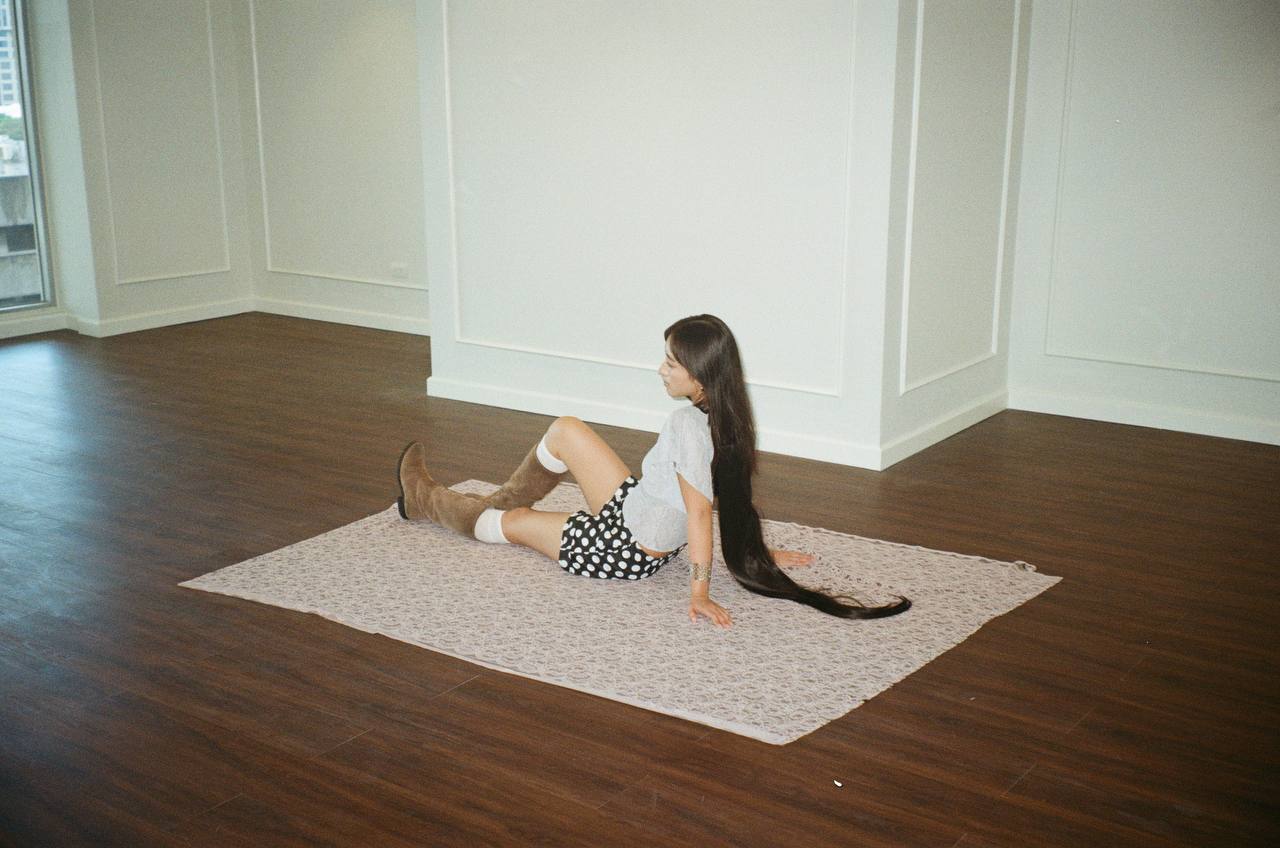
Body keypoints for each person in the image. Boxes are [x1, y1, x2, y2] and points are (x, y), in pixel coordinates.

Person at [396, 314, 910, 627]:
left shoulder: (687, 425)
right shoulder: (728, 416)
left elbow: (701, 512)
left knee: (504, 525)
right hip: (634, 510)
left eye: (671, 363)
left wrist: (699, 591)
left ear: (700, 376)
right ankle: (497, 498)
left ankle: (426, 501)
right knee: (566, 429)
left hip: (620, 548)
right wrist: (756, 552)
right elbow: (729, 497)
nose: (660, 369)